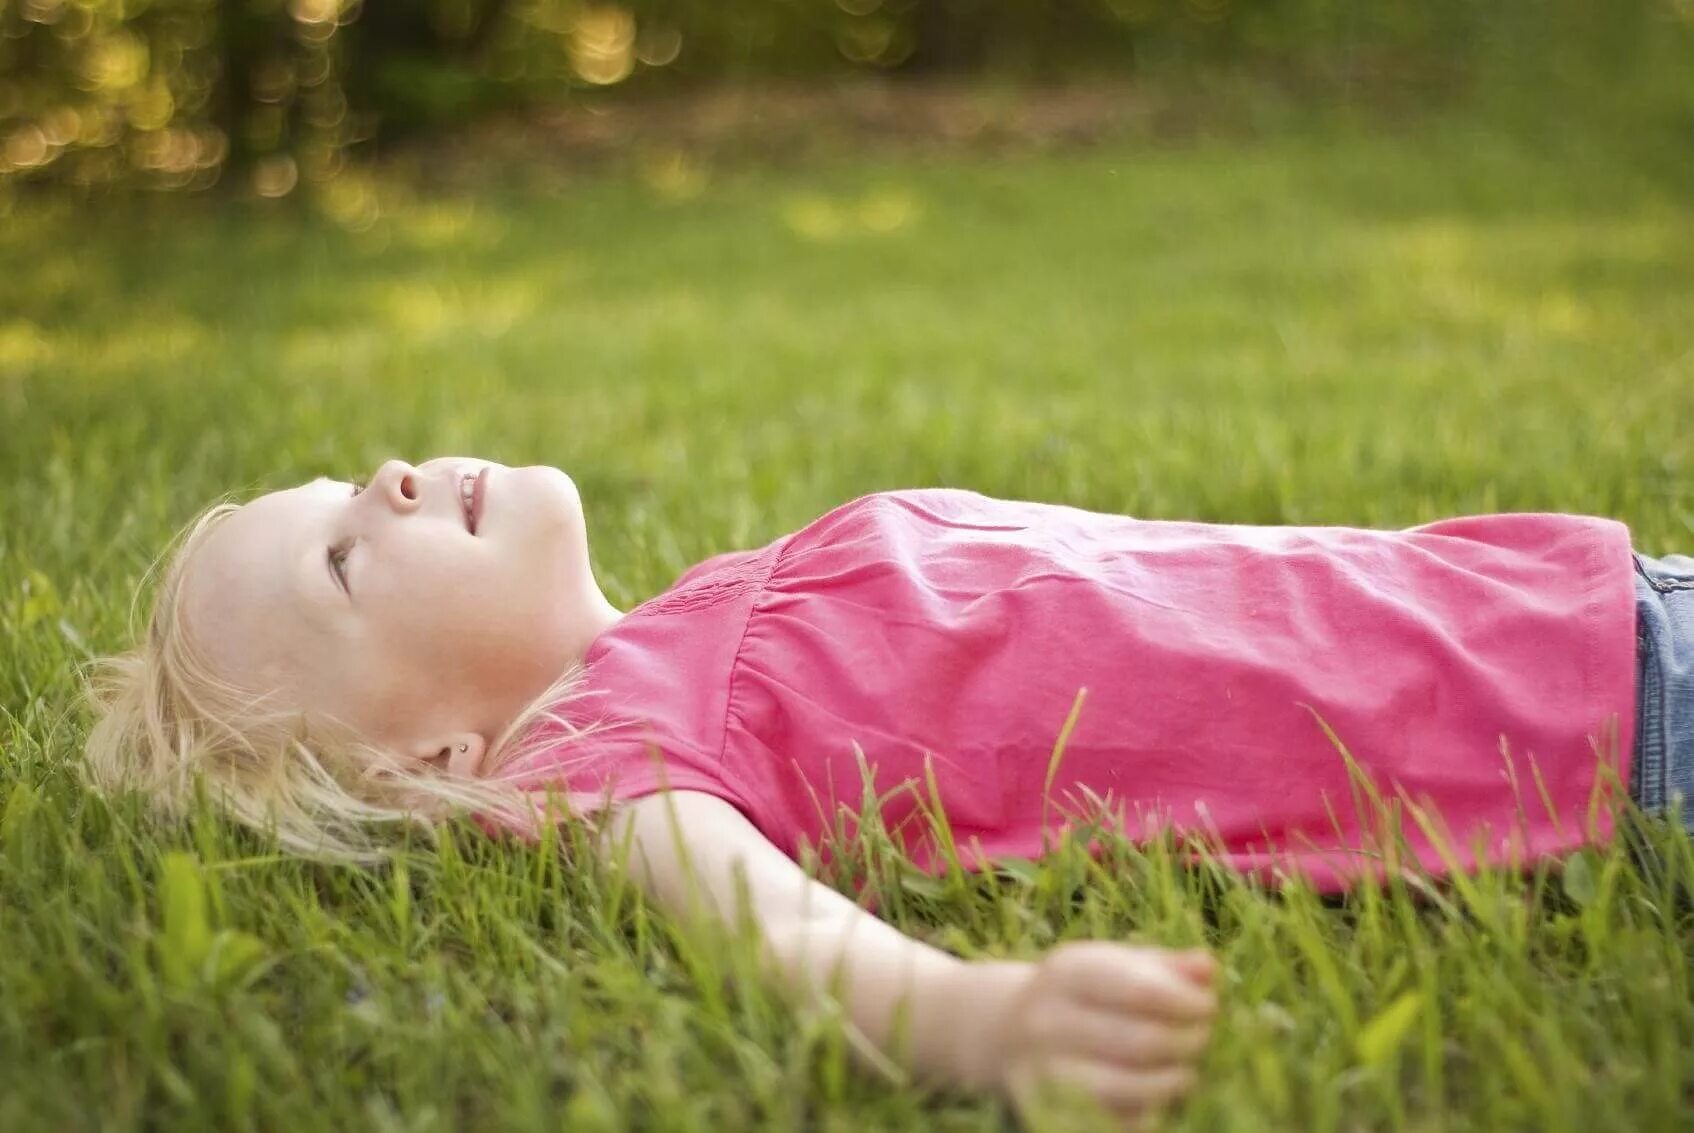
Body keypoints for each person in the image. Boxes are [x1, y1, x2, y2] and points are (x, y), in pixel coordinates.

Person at [82, 456, 1693, 1126]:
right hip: (1586, 726)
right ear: (433, 758)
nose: (390, 482)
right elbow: (768, 931)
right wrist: (978, 1024)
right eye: (347, 559)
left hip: (1550, 605)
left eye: (349, 475)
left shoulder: (701, 614)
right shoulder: (610, 762)